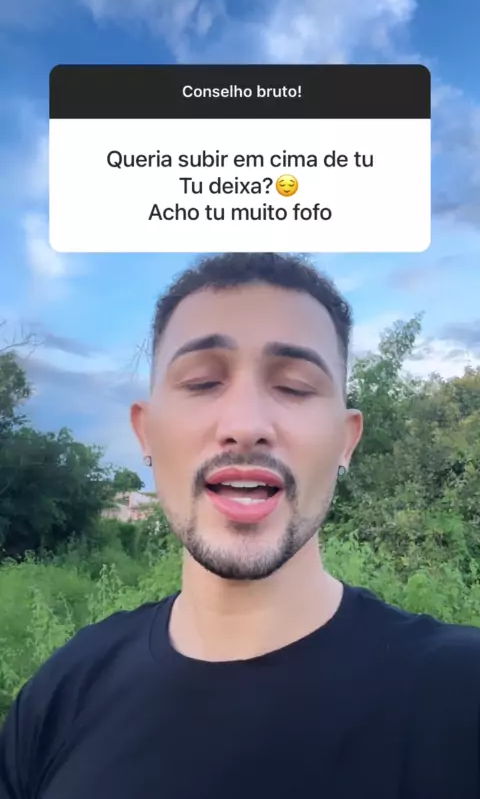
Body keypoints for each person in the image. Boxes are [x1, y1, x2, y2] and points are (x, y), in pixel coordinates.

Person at [0, 252, 479, 799]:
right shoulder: (63, 691)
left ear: (346, 441)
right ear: (146, 432)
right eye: (203, 382)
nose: (246, 425)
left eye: (294, 387)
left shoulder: (462, 695)